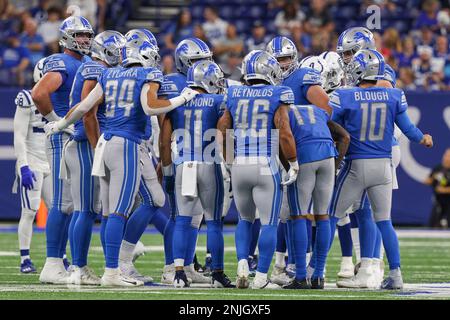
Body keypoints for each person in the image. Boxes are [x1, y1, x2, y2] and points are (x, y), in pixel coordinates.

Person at [44, 34, 198, 286]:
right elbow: (149, 108)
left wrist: (60, 123)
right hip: (127, 144)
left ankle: (114, 269)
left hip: (106, 144)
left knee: (110, 211)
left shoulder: (108, 74)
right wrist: (181, 99)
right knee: (118, 211)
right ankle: (114, 271)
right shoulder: (145, 75)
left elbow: (84, 107)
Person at [329, 49, 433, 290]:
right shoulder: (392, 95)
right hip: (383, 165)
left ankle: (315, 270)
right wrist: (424, 139)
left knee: (330, 216)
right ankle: (395, 273)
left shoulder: (345, 96)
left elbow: (331, 126)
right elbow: (409, 129)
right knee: (384, 222)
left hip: (356, 165)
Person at [217, 50, 298, 289]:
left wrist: (228, 161)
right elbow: (284, 132)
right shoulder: (278, 92)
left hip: (240, 164)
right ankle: (261, 276)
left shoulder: (233, 92)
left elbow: (223, 128)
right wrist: (293, 162)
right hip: (265, 164)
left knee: (244, 220)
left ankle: (243, 262)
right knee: (269, 223)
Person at [160, 60, 234, 288]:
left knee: (181, 220)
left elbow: (164, 141)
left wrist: (168, 171)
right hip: (209, 163)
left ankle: (179, 273)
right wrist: (230, 161)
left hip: (183, 165)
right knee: (213, 223)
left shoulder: (177, 102)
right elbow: (225, 130)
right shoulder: (220, 100)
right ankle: (218, 274)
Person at [31, 15, 94, 285]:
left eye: (88, 35)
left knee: (75, 203)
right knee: (62, 201)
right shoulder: (62, 62)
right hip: (62, 138)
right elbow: (39, 93)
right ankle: (52, 263)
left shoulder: (87, 62)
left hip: (78, 137)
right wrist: (56, 120)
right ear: (67, 37)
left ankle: (63, 262)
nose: (85, 40)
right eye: (80, 35)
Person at [64, 30, 126, 286]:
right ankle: (78, 267)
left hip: (86, 143)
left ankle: (85, 266)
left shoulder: (97, 68)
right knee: (85, 209)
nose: (122, 56)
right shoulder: (93, 69)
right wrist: (95, 145)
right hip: (83, 144)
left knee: (90, 210)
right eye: (118, 50)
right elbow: (88, 112)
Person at [158, 38, 215, 285]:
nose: (201, 66)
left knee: (195, 217)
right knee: (178, 214)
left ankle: (188, 266)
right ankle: (172, 266)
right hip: (180, 152)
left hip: (202, 153)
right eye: (195, 61)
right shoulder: (173, 82)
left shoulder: (208, 79)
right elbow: (164, 125)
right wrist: (166, 161)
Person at [13, 58, 52, 274]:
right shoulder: (27, 98)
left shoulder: (59, 98)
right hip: (33, 161)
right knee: (29, 211)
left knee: (58, 210)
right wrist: (23, 165)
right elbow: (19, 134)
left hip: (52, 161)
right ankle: (25, 258)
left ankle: (58, 255)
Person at [424, 148, 450, 228]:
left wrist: (444, 190)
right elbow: (427, 181)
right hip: (438, 201)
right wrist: (433, 177)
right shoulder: (438, 168)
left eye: (448, 156)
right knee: (433, 223)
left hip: (449, 201)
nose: (446, 157)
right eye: (445, 155)